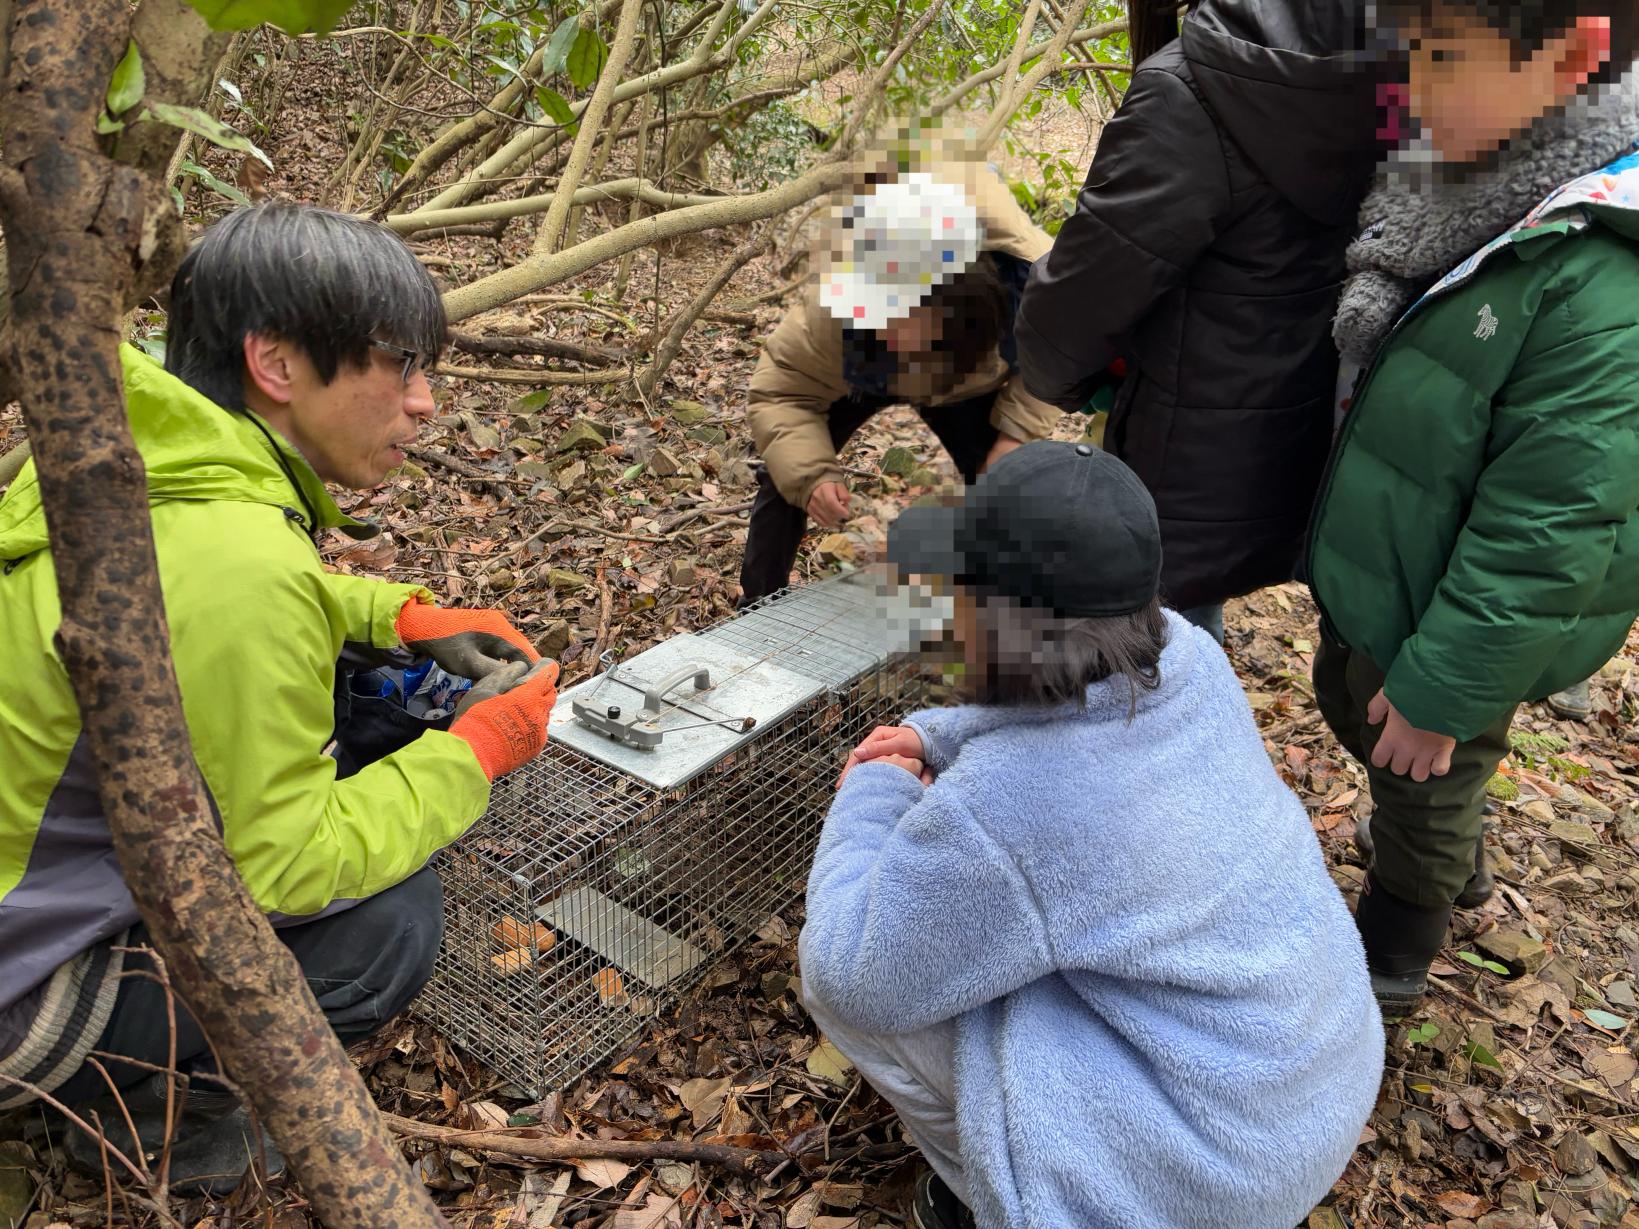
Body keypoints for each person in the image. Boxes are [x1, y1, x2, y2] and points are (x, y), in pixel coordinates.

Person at [0, 203, 559, 1191]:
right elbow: (289, 868)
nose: (425, 403)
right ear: (278, 363)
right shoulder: (245, 563)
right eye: (403, 367)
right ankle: (159, 1128)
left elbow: (202, 594)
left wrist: (393, 616)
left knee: (358, 691)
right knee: (389, 923)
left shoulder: (116, 456)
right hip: (20, 988)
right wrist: (475, 750)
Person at [800, 441, 1384, 1229]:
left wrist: (875, 785)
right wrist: (928, 736)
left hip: (1201, 1175)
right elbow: (1058, 716)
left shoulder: (1012, 806)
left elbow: (853, 971)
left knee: (845, 990)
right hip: (1304, 1087)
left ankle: (991, 1195)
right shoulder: (1188, 653)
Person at [1309, 0, 1639, 1009]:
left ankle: (1396, 945)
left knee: (1422, 765)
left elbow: (1551, 527)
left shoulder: (1596, 269)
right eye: (1409, 54)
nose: (1409, 92)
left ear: (1572, 58)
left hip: (1460, 605)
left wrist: (1445, 686)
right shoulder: (1470, 173)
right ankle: (1454, 850)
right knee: (1354, 706)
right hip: (1402, 562)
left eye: (1445, 57)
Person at [1014, 0, 1387, 643]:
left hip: (1185, 457)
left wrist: (1056, 373)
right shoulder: (1403, 58)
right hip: (1313, 434)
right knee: (1184, 622)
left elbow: (1080, 300)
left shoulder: (1191, 89)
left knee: (1148, 637)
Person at [738, 162, 1060, 607]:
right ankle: (758, 607)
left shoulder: (1034, 288)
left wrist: (1014, 436)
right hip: (865, 368)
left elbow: (1060, 358)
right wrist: (810, 476)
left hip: (970, 375)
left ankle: (1005, 611)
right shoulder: (839, 308)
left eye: (906, 317)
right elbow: (781, 390)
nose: (892, 329)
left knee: (1007, 486)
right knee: (783, 474)